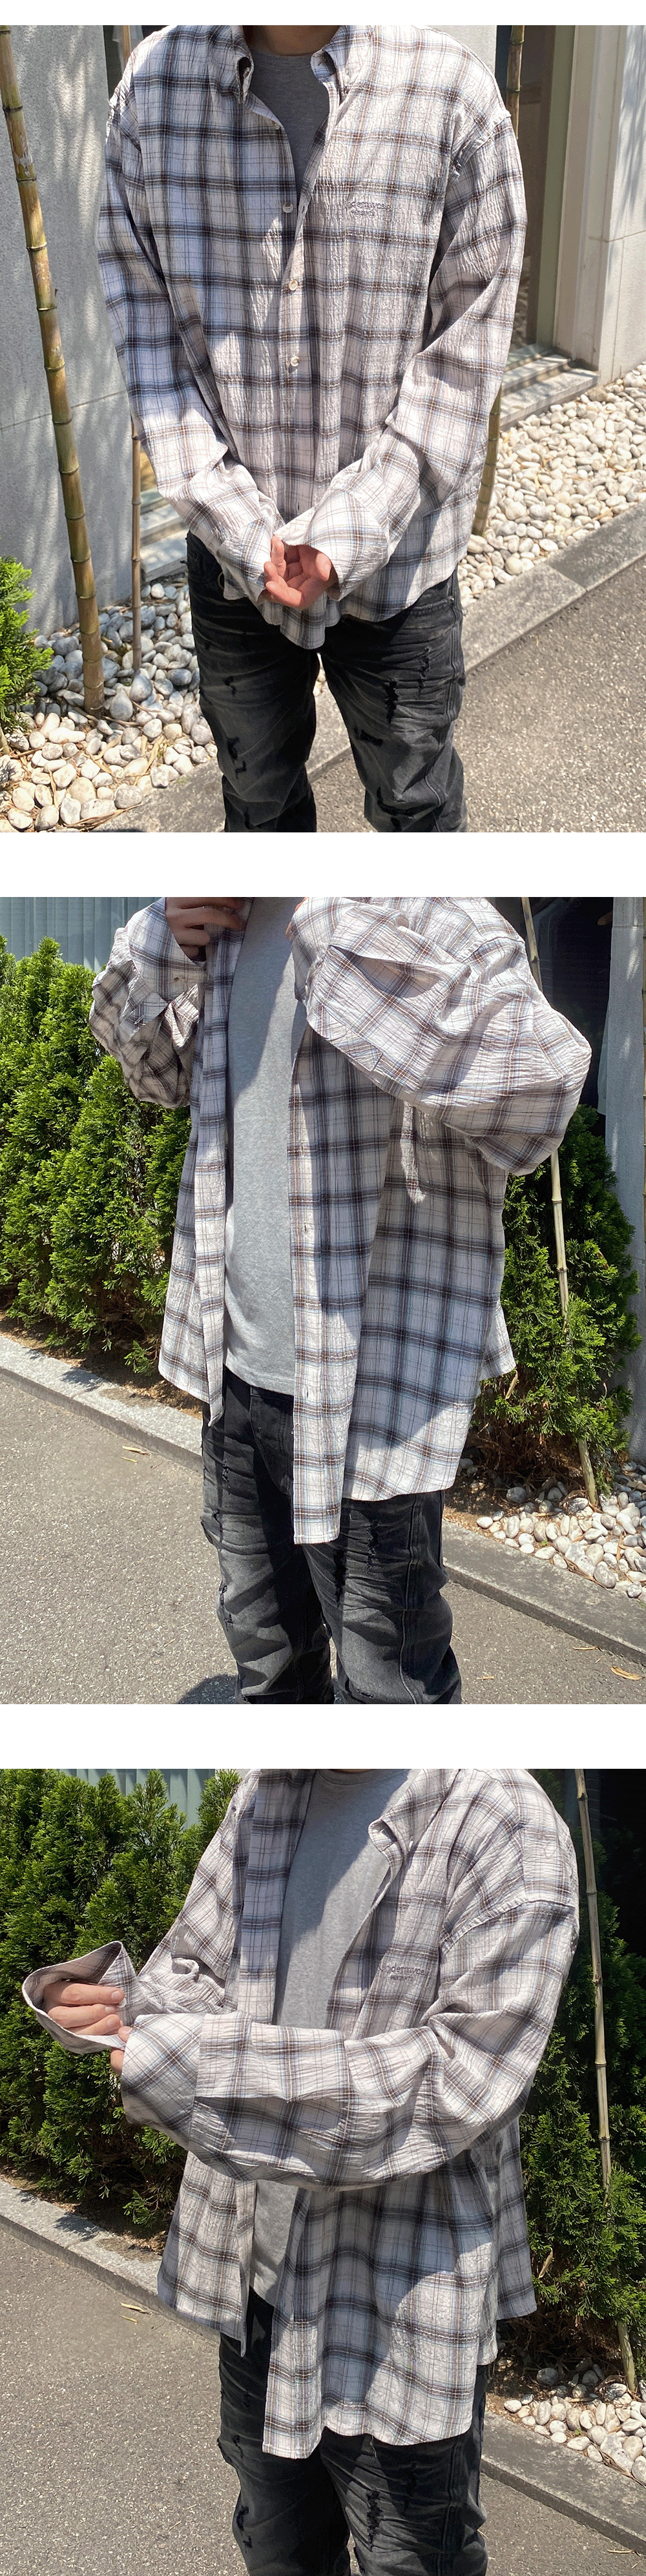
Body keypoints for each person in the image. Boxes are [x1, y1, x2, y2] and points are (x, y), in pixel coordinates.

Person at [23, 1766, 580, 2576]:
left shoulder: (505, 1819)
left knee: (411, 2559)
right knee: (278, 2548)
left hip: (395, 2312)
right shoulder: (270, 1787)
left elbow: (455, 2082)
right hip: (257, 2285)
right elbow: (199, 1968)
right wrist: (125, 2011)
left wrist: (193, 2067)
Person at [89, 896, 590, 1702]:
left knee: (390, 1691)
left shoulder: (424, 906)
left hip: (373, 1401)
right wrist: (162, 945)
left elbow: (543, 1094)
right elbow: (155, 1079)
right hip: (235, 1375)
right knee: (268, 1662)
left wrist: (346, 944)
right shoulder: (222, 913)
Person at [96, 25, 526, 830]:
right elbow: (147, 341)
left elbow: (464, 357)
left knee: (416, 813)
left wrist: (350, 529)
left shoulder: (450, 94)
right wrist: (237, 525)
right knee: (259, 811)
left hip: (398, 565)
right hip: (237, 565)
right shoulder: (152, 91)